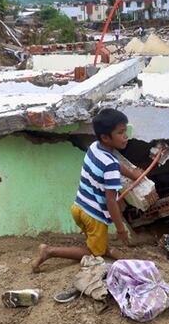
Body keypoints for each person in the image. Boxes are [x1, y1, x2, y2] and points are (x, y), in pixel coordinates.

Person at [32, 108, 141, 272]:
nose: (125, 136)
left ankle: (103, 247)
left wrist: (132, 174)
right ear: (106, 137)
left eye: (125, 131)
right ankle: (49, 251)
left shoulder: (95, 147)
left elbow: (114, 164)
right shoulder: (110, 165)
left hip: (79, 207)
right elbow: (110, 200)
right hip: (94, 216)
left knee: (95, 239)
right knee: (93, 253)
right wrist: (121, 229)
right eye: (120, 132)